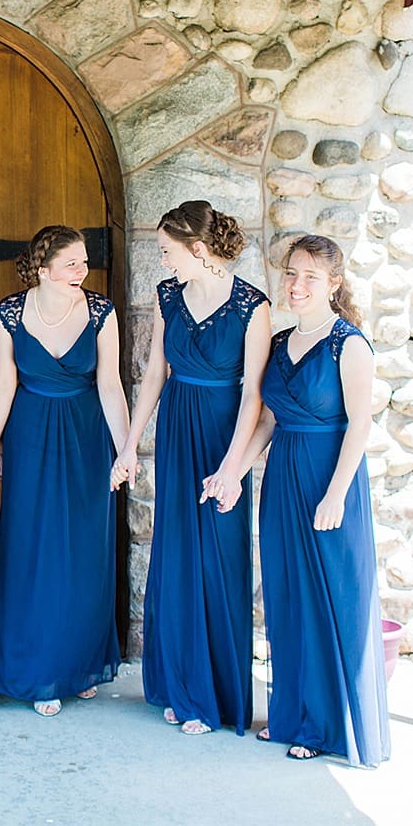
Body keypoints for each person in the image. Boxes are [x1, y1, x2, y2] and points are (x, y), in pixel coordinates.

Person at [231, 234, 390, 766]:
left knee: (330, 601)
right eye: (292, 274)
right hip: (281, 482)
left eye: (311, 278)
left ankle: (326, 727)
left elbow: (361, 424)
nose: (297, 286)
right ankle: (293, 714)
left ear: (334, 284)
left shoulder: (350, 344)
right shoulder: (278, 343)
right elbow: (270, 420)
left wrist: (337, 494)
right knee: (288, 598)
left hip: (329, 480)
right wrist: (234, 472)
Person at [117, 202, 271, 737]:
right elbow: (155, 372)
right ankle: (179, 684)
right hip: (180, 430)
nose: (163, 261)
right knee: (178, 555)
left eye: (167, 251)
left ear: (198, 250)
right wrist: (130, 444)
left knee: (219, 561)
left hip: (224, 436)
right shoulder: (168, 297)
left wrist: (232, 469)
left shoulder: (254, 306)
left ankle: (213, 698)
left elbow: (253, 396)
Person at [0, 226, 129, 718]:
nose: (82, 272)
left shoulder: (101, 312)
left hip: (87, 435)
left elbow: (110, 383)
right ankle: (39, 670)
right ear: (42, 270)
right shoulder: (9, 313)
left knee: (86, 550)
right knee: (34, 549)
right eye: (71, 265)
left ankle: (81, 664)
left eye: (84, 263)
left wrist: (125, 448)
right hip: (31, 435)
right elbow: (4, 382)